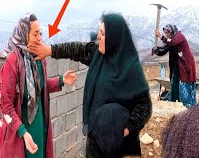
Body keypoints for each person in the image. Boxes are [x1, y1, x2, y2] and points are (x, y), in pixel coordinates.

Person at [28, 13, 152, 157]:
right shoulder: (97, 55)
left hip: (119, 144)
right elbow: (76, 49)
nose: (98, 37)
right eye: (99, 32)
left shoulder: (130, 68)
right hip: (96, 137)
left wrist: (126, 129)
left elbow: (145, 105)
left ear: (115, 38)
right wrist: (50, 50)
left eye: (103, 34)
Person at [0, 13, 77, 158]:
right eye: (35, 34)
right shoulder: (12, 62)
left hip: (39, 127)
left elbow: (38, 87)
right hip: (20, 133)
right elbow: (6, 105)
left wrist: (61, 80)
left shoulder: (39, 59)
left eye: (40, 33)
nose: (39, 38)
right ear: (24, 34)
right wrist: (23, 132)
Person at [153, 24, 197, 107]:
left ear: (172, 31)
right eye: (165, 33)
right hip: (177, 66)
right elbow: (164, 49)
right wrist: (156, 50)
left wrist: (161, 36)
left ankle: (188, 104)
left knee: (185, 83)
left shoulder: (179, 36)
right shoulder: (171, 41)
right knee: (175, 82)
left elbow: (172, 42)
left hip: (185, 65)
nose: (166, 34)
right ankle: (174, 101)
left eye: (167, 32)